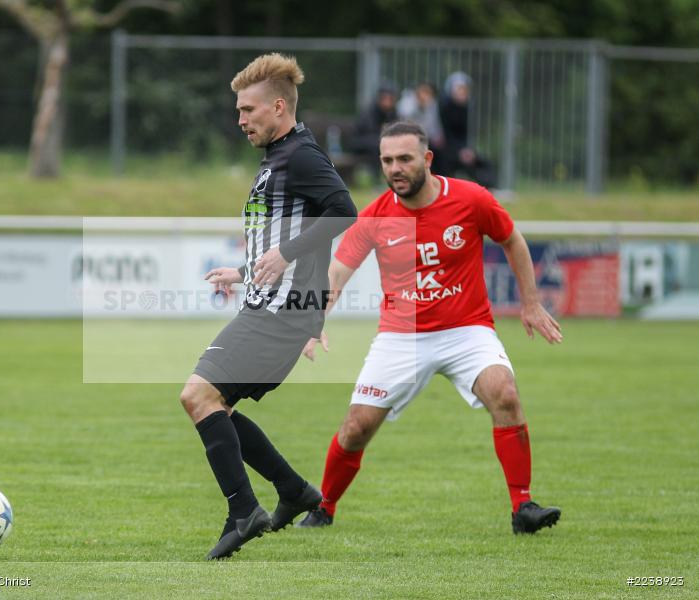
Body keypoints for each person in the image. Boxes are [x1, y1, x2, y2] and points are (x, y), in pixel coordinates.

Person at [296, 121, 562, 534]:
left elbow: (512, 240)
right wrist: (314, 322)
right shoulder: (376, 216)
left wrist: (530, 303)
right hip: (401, 337)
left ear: (427, 159)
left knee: (505, 394)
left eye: (404, 159)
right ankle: (324, 508)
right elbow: (337, 273)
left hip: (466, 329)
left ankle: (523, 507)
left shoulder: (471, 199)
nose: (395, 168)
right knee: (356, 427)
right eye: (387, 161)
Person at [179, 53, 358, 560]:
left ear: (278, 107)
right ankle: (294, 491)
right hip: (268, 305)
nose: (241, 120)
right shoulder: (277, 158)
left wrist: (287, 255)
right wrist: (244, 271)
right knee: (217, 406)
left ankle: (244, 511)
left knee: (197, 397)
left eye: (248, 110)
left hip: (282, 314)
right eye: (238, 111)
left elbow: (346, 212)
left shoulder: (300, 155)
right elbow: (286, 233)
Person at [439, 72, 497, 189]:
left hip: (464, 149)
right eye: (459, 89)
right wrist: (460, 150)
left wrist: (468, 149)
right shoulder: (444, 107)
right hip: (448, 149)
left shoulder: (468, 108)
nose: (462, 93)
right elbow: (446, 133)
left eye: (465, 90)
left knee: (484, 163)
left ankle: (488, 189)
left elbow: (468, 133)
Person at [398, 82, 446, 175]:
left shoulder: (432, 104)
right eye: (423, 92)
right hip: (406, 136)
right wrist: (419, 105)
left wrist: (438, 136)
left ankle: (437, 177)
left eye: (428, 93)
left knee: (440, 151)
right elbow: (404, 117)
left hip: (425, 137)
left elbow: (434, 124)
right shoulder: (407, 102)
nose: (425, 96)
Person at [353, 83, 399, 179]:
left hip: (377, 141)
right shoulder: (370, 111)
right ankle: (376, 179)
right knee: (376, 144)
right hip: (360, 142)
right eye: (384, 98)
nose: (387, 102)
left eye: (390, 99)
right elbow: (368, 131)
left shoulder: (393, 112)